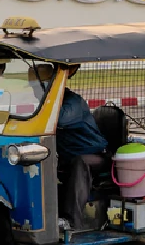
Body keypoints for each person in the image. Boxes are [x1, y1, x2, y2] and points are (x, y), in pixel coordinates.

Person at [30, 63, 107, 230]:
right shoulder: (46, 105)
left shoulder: (73, 103)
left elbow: (58, 120)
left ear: (50, 85)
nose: (34, 91)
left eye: (37, 86)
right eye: (32, 87)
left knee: (80, 162)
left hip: (95, 155)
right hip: (68, 156)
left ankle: (71, 220)